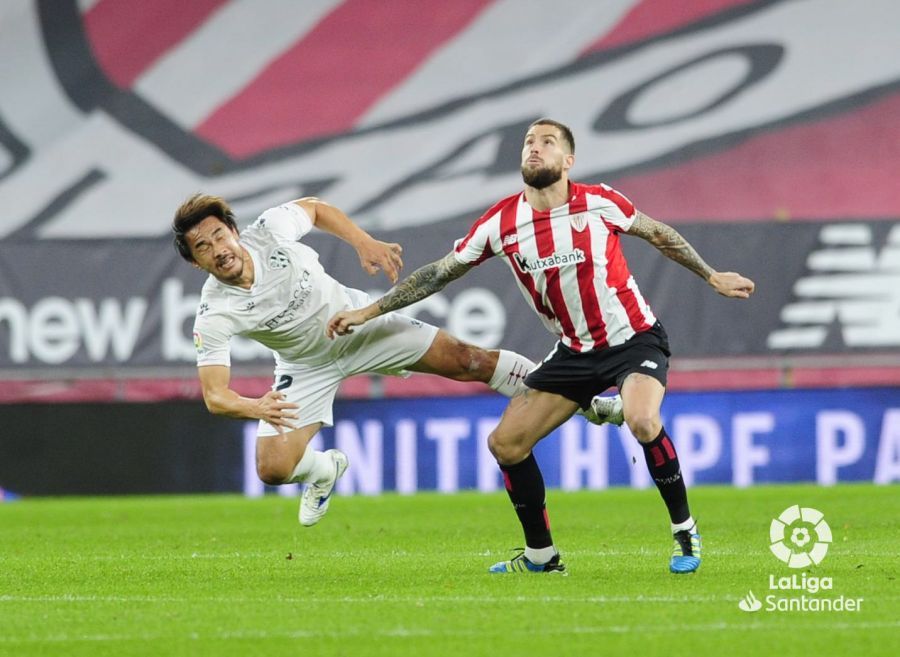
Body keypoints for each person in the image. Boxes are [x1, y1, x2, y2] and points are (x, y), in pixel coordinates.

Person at [327, 118, 756, 575]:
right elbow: (438, 272)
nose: (535, 148)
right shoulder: (502, 221)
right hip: (574, 353)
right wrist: (367, 312)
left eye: (547, 142)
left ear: (568, 161)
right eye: (529, 141)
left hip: (633, 339)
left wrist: (711, 274)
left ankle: (684, 532)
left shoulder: (600, 202)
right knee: (505, 444)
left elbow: (659, 234)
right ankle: (541, 557)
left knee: (643, 419)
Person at [171, 193, 619, 528]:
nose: (218, 248)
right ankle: (326, 469)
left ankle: (588, 402)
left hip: (359, 326)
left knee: (469, 360)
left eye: (218, 235)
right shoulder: (215, 311)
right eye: (203, 247)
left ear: (234, 229)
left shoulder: (269, 230)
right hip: (306, 365)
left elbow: (315, 208)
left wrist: (363, 242)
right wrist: (256, 407)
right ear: (195, 263)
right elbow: (215, 396)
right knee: (272, 469)